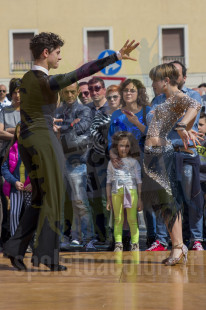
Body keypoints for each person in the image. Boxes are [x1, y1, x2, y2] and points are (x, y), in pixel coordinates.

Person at [3, 31, 139, 271]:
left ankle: (15, 250)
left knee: (38, 199)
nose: (59, 57)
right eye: (57, 53)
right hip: (43, 140)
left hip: (27, 141)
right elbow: (83, 71)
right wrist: (116, 56)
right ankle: (47, 257)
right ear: (46, 53)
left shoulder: (24, 78)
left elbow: (32, 113)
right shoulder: (47, 81)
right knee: (53, 196)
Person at [144, 63, 201, 265]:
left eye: (155, 80)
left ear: (166, 81)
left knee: (170, 201)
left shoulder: (178, 96)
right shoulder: (161, 100)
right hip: (153, 154)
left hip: (164, 154)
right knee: (163, 204)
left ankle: (178, 247)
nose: (153, 84)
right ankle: (177, 245)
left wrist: (182, 125)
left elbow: (196, 106)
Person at [55, 82, 94, 248]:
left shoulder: (84, 110)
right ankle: (69, 237)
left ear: (78, 91)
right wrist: (70, 125)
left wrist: (63, 126)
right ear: (61, 93)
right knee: (62, 202)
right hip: (59, 160)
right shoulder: (57, 111)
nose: (70, 95)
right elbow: (52, 128)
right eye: (66, 92)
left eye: (72, 92)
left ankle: (88, 238)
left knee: (80, 201)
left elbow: (82, 127)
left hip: (77, 161)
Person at [87, 84, 121, 247]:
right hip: (102, 161)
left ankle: (120, 237)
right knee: (101, 200)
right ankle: (103, 236)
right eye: (109, 97)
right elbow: (93, 133)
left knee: (120, 199)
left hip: (123, 162)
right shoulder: (101, 114)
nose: (112, 100)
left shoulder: (126, 114)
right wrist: (107, 147)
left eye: (115, 97)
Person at [106, 131, 142, 252]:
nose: (124, 148)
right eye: (121, 145)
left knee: (132, 219)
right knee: (118, 219)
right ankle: (118, 243)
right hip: (116, 193)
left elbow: (139, 181)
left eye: (127, 146)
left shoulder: (134, 162)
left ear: (131, 147)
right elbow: (108, 182)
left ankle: (135, 243)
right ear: (116, 146)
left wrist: (140, 199)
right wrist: (108, 199)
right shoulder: (111, 163)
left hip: (131, 192)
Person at [0, 78, 21, 245]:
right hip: (5, 159)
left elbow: (29, 131)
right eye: (15, 92)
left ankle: (21, 237)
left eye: (20, 92)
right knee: (5, 198)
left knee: (21, 199)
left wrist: (10, 130)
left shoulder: (28, 111)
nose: (18, 95)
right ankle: (6, 237)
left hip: (22, 161)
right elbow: (0, 133)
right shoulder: (4, 110)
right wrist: (18, 133)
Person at [1, 123, 32, 236]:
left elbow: (40, 168)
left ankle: (30, 241)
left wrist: (33, 183)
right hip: (16, 187)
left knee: (30, 215)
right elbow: (4, 169)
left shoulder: (34, 149)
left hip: (30, 188)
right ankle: (14, 241)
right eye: (19, 132)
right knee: (14, 214)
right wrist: (15, 182)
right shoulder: (12, 148)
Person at [197, 110, 206, 246]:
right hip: (195, 181)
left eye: (201, 124)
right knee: (196, 210)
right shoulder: (190, 140)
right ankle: (197, 237)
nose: (197, 127)